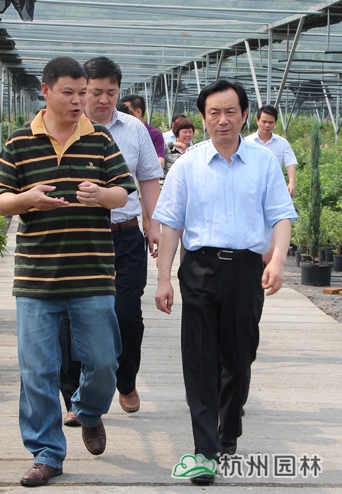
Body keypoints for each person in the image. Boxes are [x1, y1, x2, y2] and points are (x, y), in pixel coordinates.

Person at [0, 56, 136, 487]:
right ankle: (47, 453)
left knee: (104, 362)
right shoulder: (19, 142)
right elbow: (0, 201)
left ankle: (87, 410)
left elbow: (122, 193)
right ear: (46, 90)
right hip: (37, 277)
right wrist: (27, 199)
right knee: (37, 371)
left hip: (92, 274)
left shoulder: (99, 139)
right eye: (69, 92)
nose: (78, 100)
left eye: (82, 92)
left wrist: (100, 194)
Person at [153, 79, 297, 486]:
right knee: (199, 361)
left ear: (244, 115)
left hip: (246, 270)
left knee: (239, 358)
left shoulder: (264, 163)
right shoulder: (188, 165)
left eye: (230, 111)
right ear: (203, 118)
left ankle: (228, 426)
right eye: (214, 112)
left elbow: (280, 215)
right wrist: (163, 278)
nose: (222, 119)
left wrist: (278, 261)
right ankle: (205, 450)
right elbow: (171, 226)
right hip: (200, 269)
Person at [60, 56, 162, 425]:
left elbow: (148, 178)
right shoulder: (65, 127)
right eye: (96, 92)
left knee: (127, 315)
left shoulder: (134, 129)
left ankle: (126, 379)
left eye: (111, 92)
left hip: (125, 235)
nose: (103, 99)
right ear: (82, 91)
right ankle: (74, 395)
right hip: (78, 238)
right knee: (71, 318)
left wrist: (153, 224)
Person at [245, 105, 297, 197]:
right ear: (257, 121)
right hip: (251, 188)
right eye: (264, 121)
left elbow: (290, 163)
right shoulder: (247, 142)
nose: (267, 125)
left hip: (274, 188)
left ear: (275, 122)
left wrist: (291, 183)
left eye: (270, 122)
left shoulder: (282, 143)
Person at [120, 94, 165, 168]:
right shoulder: (120, 131)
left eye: (127, 112)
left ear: (138, 112)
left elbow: (160, 161)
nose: (123, 116)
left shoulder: (154, 134)